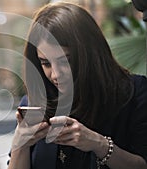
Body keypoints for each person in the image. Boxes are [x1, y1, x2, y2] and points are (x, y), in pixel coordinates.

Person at [8, 2, 147, 169]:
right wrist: (19, 145)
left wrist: (99, 144)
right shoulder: (35, 104)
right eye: (46, 63)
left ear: (91, 53)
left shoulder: (134, 93)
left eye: (65, 61)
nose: (55, 74)